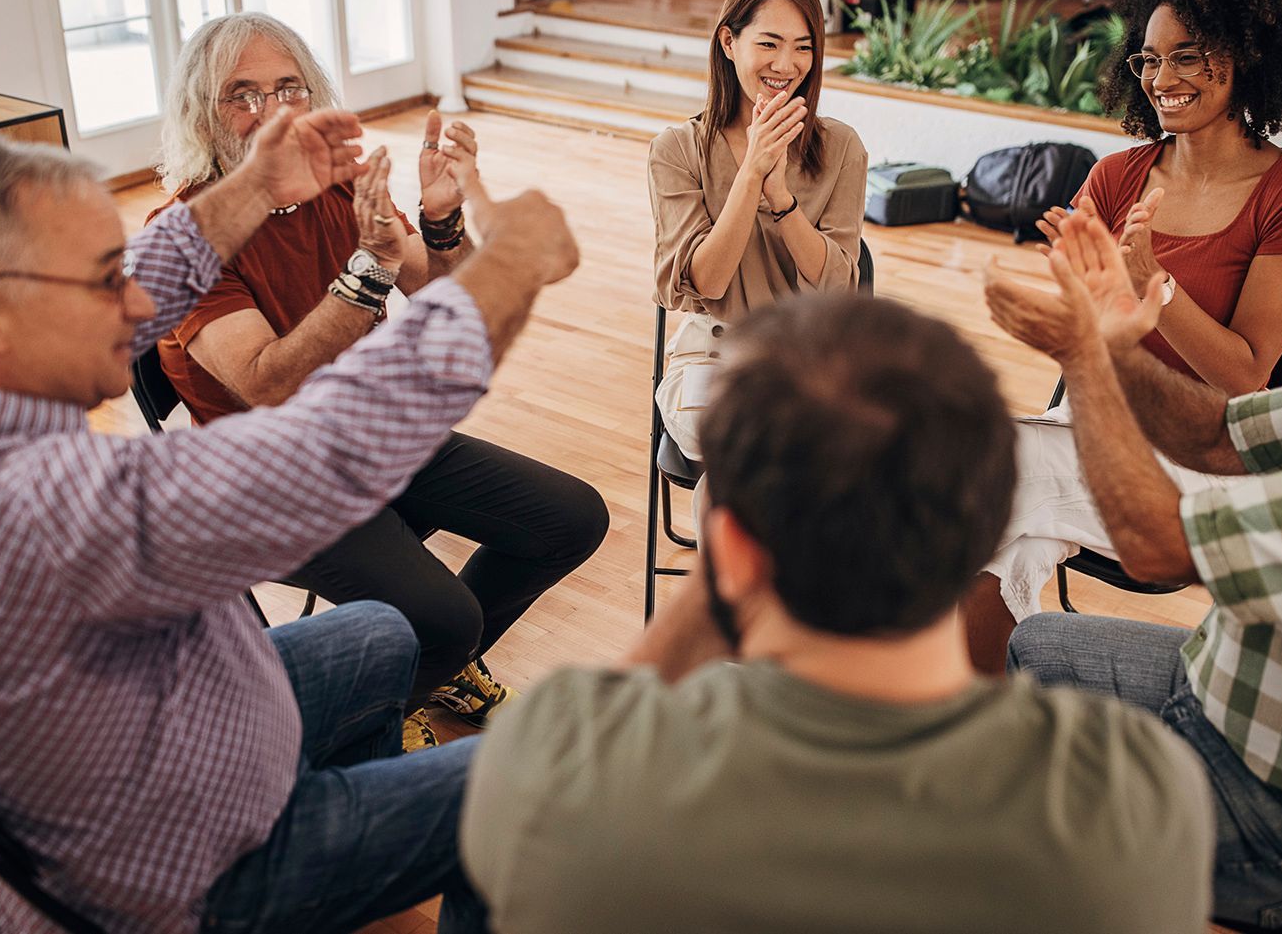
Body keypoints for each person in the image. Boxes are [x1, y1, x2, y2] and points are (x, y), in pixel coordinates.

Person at [0, 120, 580, 932]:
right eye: (105, 282)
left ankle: (353, 880)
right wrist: (507, 267)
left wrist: (255, 183)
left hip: (159, 728)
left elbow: (150, 273)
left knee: (382, 633)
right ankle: (329, 865)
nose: (136, 304)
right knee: (537, 772)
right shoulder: (16, 508)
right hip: (184, 876)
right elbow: (323, 449)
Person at [460, 293, 1214, 934]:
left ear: (734, 549)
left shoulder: (554, 760)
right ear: (989, 524)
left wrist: (712, 584)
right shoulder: (1135, 792)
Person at [154, 13, 609, 746]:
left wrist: (441, 219)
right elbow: (267, 381)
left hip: (373, 433)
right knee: (447, 617)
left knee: (572, 519)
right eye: (243, 95)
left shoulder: (339, 188)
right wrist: (371, 269)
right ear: (202, 115)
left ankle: (427, 672)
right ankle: (373, 716)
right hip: (271, 483)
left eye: (288, 89)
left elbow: (445, 291)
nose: (273, 113)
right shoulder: (184, 237)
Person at [986, 194, 1282, 928]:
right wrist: (1116, 343)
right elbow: (1221, 434)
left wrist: (1087, 357)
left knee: (1022, 829)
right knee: (1036, 644)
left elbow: (1159, 545)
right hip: (1233, 681)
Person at [963, 0, 1282, 672]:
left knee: (987, 484)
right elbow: (1087, 340)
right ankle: (963, 714)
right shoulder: (1115, 177)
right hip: (1096, 427)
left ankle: (918, 707)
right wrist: (1077, 301)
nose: (1161, 78)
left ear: (1248, 55)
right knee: (997, 528)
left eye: (1187, 56)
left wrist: (1154, 284)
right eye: (1148, 58)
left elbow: (1246, 378)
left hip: (1205, 456)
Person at [650, 0, 868, 464]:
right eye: (769, 43)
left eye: (803, 47)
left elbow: (838, 289)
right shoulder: (677, 150)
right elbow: (706, 282)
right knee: (766, 445)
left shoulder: (842, 147)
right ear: (729, 42)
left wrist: (781, 198)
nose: (786, 65)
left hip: (809, 355)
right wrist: (751, 174)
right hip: (713, 354)